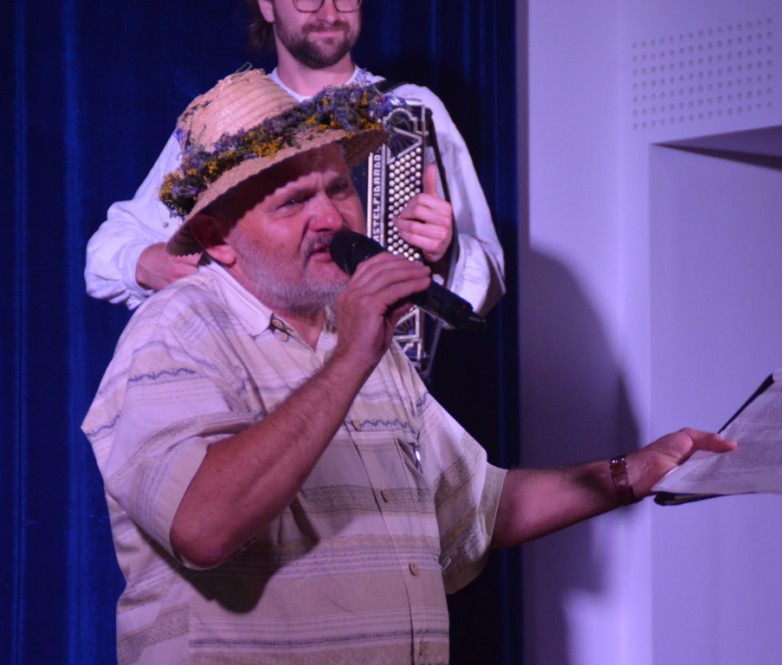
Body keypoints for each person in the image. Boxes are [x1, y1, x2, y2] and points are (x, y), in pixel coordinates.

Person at [82, 69, 736, 664]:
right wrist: (352, 359)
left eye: (338, 187)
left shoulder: (355, 333)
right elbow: (202, 527)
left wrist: (632, 473)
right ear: (217, 238)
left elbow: (477, 508)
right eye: (292, 202)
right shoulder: (177, 331)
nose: (330, 217)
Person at [84, 0, 504, 319]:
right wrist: (148, 264)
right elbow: (106, 251)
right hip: (259, 383)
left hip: (383, 381)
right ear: (267, 6)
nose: (329, 12)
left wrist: (446, 251)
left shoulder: (411, 108)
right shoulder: (228, 119)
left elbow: (489, 278)